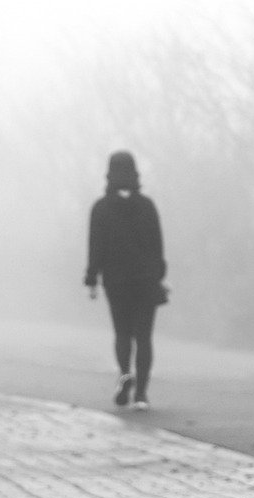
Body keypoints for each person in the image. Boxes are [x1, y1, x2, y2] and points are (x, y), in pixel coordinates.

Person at [84, 150, 168, 411]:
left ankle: (125, 374)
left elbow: (95, 246)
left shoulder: (100, 208)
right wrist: (158, 275)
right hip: (145, 280)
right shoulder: (147, 206)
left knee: (122, 333)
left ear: (109, 174)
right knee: (144, 336)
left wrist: (92, 278)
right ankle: (141, 394)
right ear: (135, 173)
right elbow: (157, 246)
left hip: (116, 281)